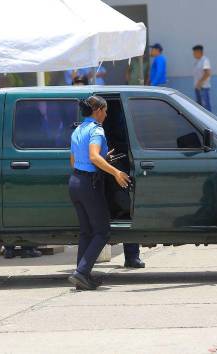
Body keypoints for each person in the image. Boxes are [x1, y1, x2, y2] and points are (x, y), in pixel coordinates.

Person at [68, 96, 131, 290]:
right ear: (97, 110)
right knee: (102, 231)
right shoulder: (96, 129)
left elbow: (73, 160)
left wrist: (103, 158)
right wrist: (116, 172)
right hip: (89, 184)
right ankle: (81, 272)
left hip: (75, 182)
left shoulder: (78, 129)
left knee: (86, 232)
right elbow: (94, 156)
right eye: (104, 110)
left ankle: (82, 275)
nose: (106, 114)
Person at [192, 44, 212, 111]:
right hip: (198, 88)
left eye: (194, 52)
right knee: (200, 109)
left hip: (203, 88)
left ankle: (209, 121)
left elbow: (207, 73)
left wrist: (200, 83)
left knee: (205, 107)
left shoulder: (205, 60)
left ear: (199, 52)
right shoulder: (197, 61)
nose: (193, 54)